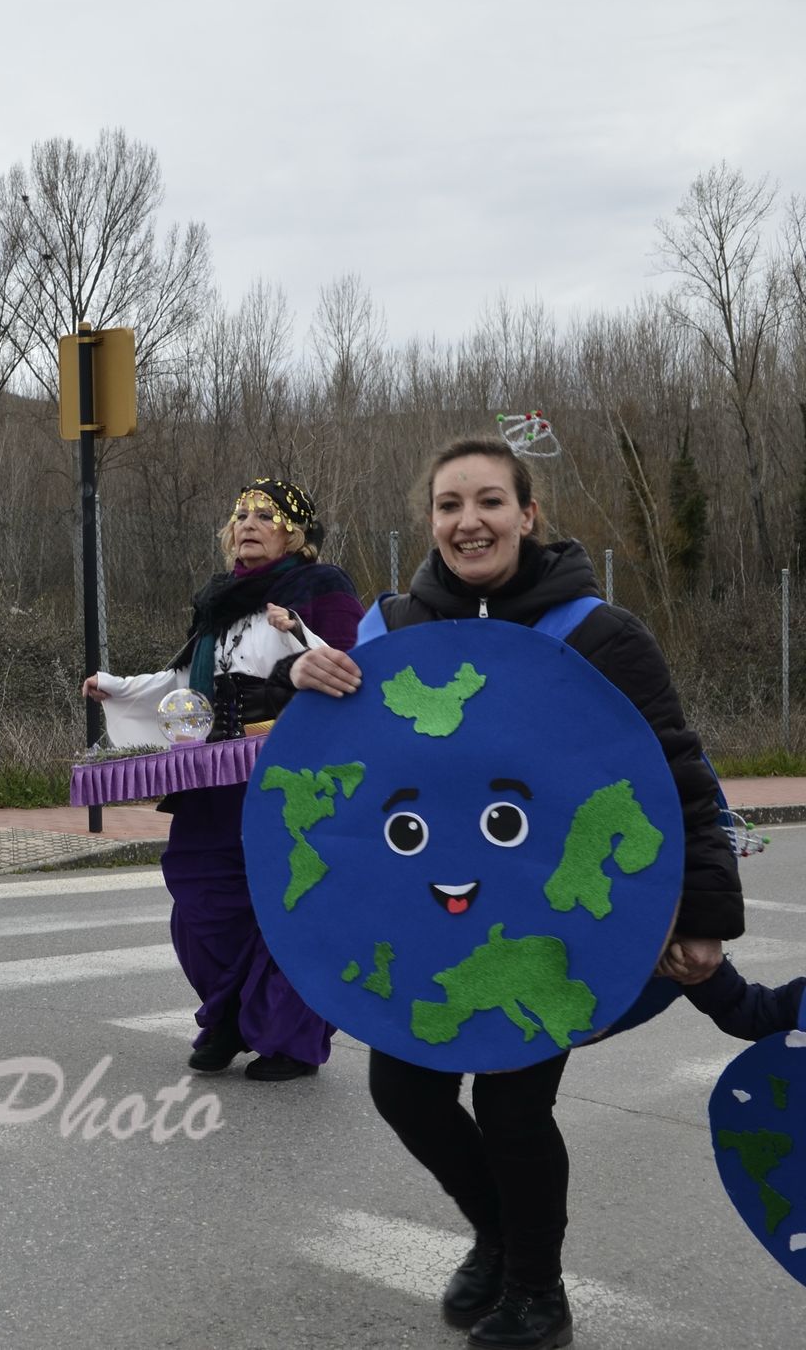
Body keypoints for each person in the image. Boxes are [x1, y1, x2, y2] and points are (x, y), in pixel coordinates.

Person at [288, 437, 743, 1350]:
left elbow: (677, 776)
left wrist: (702, 915)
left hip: (546, 924)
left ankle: (539, 1291)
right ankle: (497, 1236)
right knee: (405, 1095)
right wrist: (305, 681)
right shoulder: (387, 632)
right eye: (449, 505)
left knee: (509, 1104)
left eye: (490, 501)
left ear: (528, 515)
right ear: (430, 523)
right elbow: (339, 777)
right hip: (431, 921)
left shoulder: (600, 635)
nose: (469, 522)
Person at [84, 478, 362, 1082]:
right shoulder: (217, 600)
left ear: (294, 531)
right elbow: (186, 680)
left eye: (266, 514)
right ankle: (233, 1015)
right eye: (239, 514)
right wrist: (118, 687)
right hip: (213, 777)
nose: (248, 523)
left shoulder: (322, 587)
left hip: (293, 776)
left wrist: (293, 663)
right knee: (199, 899)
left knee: (291, 898)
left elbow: (349, 667)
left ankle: (287, 1037)